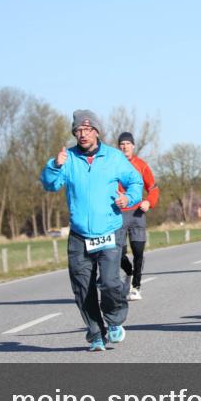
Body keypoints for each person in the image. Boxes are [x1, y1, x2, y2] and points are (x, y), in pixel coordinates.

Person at [41, 110, 143, 351]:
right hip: (78, 234)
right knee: (82, 287)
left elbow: (135, 182)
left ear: (96, 131)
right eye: (78, 131)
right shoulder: (69, 159)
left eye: (87, 130)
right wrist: (55, 166)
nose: (82, 134)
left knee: (109, 282)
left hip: (109, 229)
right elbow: (50, 184)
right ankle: (96, 333)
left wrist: (127, 198)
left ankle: (115, 319)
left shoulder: (114, 157)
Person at [116, 132, 159, 300]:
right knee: (117, 252)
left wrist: (149, 202)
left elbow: (153, 188)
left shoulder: (141, 165)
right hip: (117, 214)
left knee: (138, 251)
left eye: (127, 143)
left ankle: (136, 287)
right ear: (118, 147)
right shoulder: (112, 165)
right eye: (122, 144)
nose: (125, 146)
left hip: (137, 213)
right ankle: (129, 272)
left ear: (133, 146)